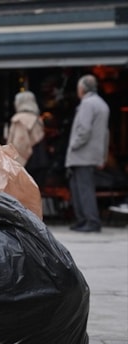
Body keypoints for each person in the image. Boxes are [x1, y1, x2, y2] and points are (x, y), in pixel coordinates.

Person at [65, 74, 110, 233]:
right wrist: (102, 155)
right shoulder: (102, 104)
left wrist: (73, 146)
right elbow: (105, 134)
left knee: (83, 189)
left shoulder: (87, 104)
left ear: (82, 89)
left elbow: (83, 130)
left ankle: (90, 220)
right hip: (93, 154)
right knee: (84, 188)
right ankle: (85, 220)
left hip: (81, 154)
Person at [7, 91, 45, 166]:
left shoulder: (19, 119)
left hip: (28, 162)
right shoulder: (37, 119)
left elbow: (19, 143)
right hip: (40, 158)